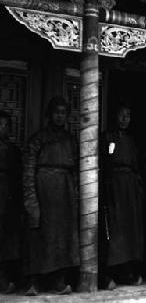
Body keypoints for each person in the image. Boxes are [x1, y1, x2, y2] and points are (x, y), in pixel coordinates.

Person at [23, 97, 79, 295]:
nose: (60, 116)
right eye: (56, 112)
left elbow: (76, 170)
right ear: (49, 114)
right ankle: (34, 282)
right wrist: (31, 199)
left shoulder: (71, 140)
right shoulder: (38, 139)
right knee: (40, 234)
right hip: (43, 189)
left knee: (63, 236)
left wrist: (75, 193)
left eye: (63, 112)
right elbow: (28, 170)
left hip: (65, 190)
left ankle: (58, 281)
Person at [100, 104, 143, 289]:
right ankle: (107, 273)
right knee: (113, 230)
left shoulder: (131, 140)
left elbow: (136, 165)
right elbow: (105, 160)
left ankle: (126, 271)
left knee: (128, 229)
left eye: (128, 115)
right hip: (113, 185)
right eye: (122, 115)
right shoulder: (107, 137)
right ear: (114, 117)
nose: (125, 119)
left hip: (129, 188)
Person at [0, 111, 22, 294]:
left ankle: (3, 279)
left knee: (6, 240)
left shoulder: (14, 150)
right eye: (1, 124)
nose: (4, 128)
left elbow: (17, 176)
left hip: (7, 199)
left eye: (7, 125)